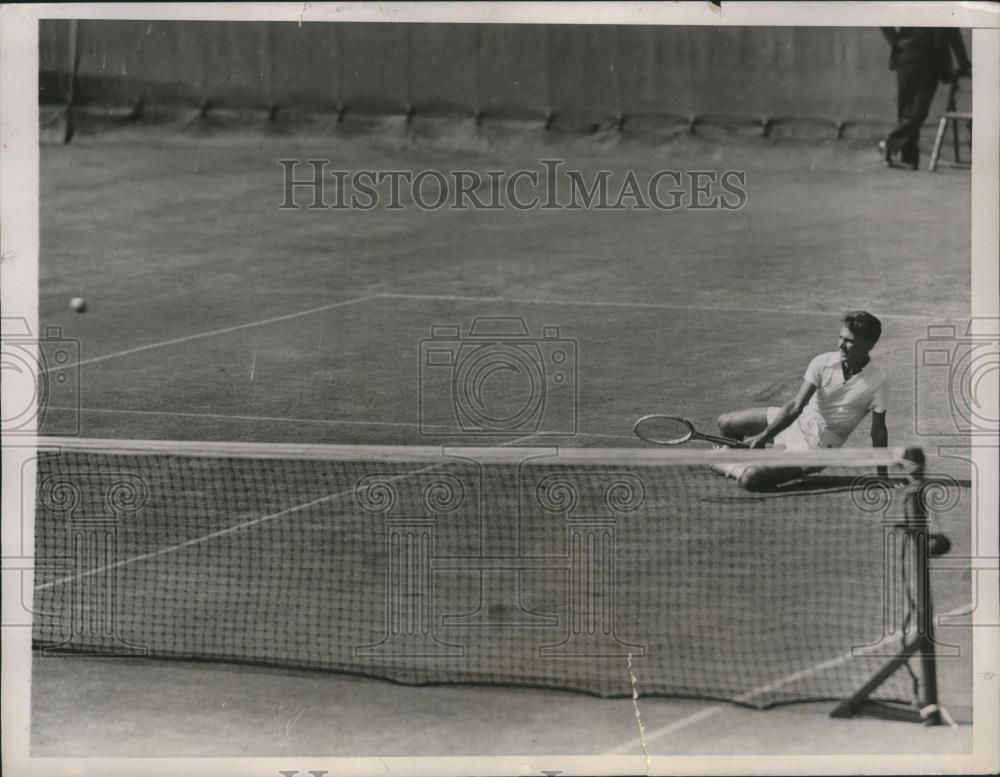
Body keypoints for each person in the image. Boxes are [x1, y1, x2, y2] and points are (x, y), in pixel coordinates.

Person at [712, 311, 888, 491]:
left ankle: (727, 464)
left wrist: (884, 477)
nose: (840, 345)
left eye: (849, 341)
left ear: (869, 344)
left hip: (818, 446)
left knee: (751, 479)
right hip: (797, 421)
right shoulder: (822, 361)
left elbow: (878, 432)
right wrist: (765, 436)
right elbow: (796, 406)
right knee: (726, 422)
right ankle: (749, 460)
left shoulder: (878, 380)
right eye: (840, 338)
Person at [878, 28, 971, 170]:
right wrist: (896, 43)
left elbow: (954, 33)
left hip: (934, 61)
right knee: (907, 108)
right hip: (909, 56)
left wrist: (964, 64)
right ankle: (909, 157)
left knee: (919, 110)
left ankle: (889, 144)